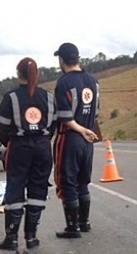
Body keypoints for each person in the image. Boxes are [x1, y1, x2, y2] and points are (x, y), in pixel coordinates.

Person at [0, 57, 56, 250]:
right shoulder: (48, 97)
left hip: (19, 147)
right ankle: (31, 237)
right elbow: (54, 124)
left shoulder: (10, 97)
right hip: (43, 146)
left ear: (17, 73)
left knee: (15, 188)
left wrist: (8, 142)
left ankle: (11, 238)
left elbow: (2, 127)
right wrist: (43, 140)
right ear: (37, 74)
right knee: (38, 189)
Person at [53, 42, 100, 238]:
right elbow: (96, 112)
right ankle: (84, 222)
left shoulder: (63, 83)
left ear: (61, 60)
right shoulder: (93, 81)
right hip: (88, 138)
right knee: (83, 180)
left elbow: (65, 117)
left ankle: (72, 227)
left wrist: (80, 130)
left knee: (67, 181)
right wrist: (87, 131)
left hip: (70, 137)